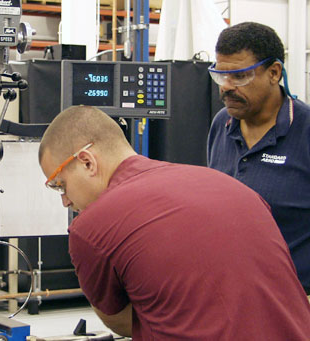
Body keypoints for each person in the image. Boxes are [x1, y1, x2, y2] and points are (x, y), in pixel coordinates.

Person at [39, 105, 310, 340]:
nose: (65, 200)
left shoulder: (91, 228)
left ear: (86, 162)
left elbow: (122, 322)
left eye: (60, 185)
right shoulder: (229, 185)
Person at [207, 22, 310, 293]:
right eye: (220, 76)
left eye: (239, 77)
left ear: (274, 72)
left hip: (296, 304)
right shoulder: (222, 124)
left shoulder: (305, 132)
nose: (226, 87)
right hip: (232, 297)